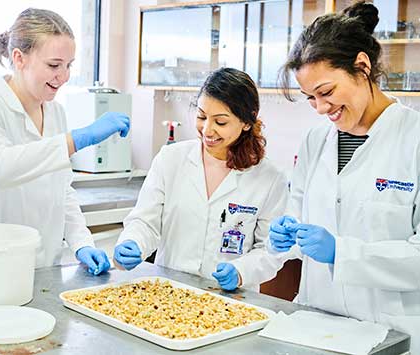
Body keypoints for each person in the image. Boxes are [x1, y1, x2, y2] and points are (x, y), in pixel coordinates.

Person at [269, 1, 420, 352]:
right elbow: (300, 214)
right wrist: (285, 235)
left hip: (391, 335)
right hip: (314, 327)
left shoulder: (414, 138)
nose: (321, 108)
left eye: (326, 92)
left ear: (362, 67)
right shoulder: (316, 140)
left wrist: (342, 252)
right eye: (311, 98)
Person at [0, 8, 130, 275]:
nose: (64, 76)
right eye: (54, 65)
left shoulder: (55, 112)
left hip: (44, 266)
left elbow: (62, 191)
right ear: (19, 58)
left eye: (69, 65)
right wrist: (76, 139)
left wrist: (81, 243)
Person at [113, 68, 289, 291]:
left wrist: (241, 272)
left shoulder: (269, 178)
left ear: (246, 122)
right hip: (169, 294)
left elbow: (270, 249)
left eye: (221, 122)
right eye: (201, 117)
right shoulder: (171, 159)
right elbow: (145, 221)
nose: (207, 130)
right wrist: (132, 242)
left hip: (231, 302)